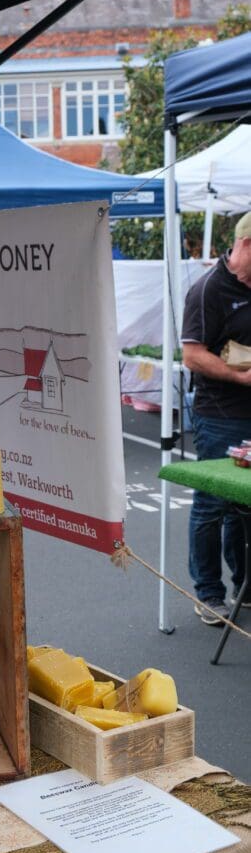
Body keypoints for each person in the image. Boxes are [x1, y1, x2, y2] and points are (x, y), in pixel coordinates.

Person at [181, 211, 251, 625]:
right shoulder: (208, 289)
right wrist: (241, 377)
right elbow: (192, 355)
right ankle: (209, 594)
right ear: (244, 246)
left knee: (246, 506)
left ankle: (245, 585)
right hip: (220, 415)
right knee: (212, 504)